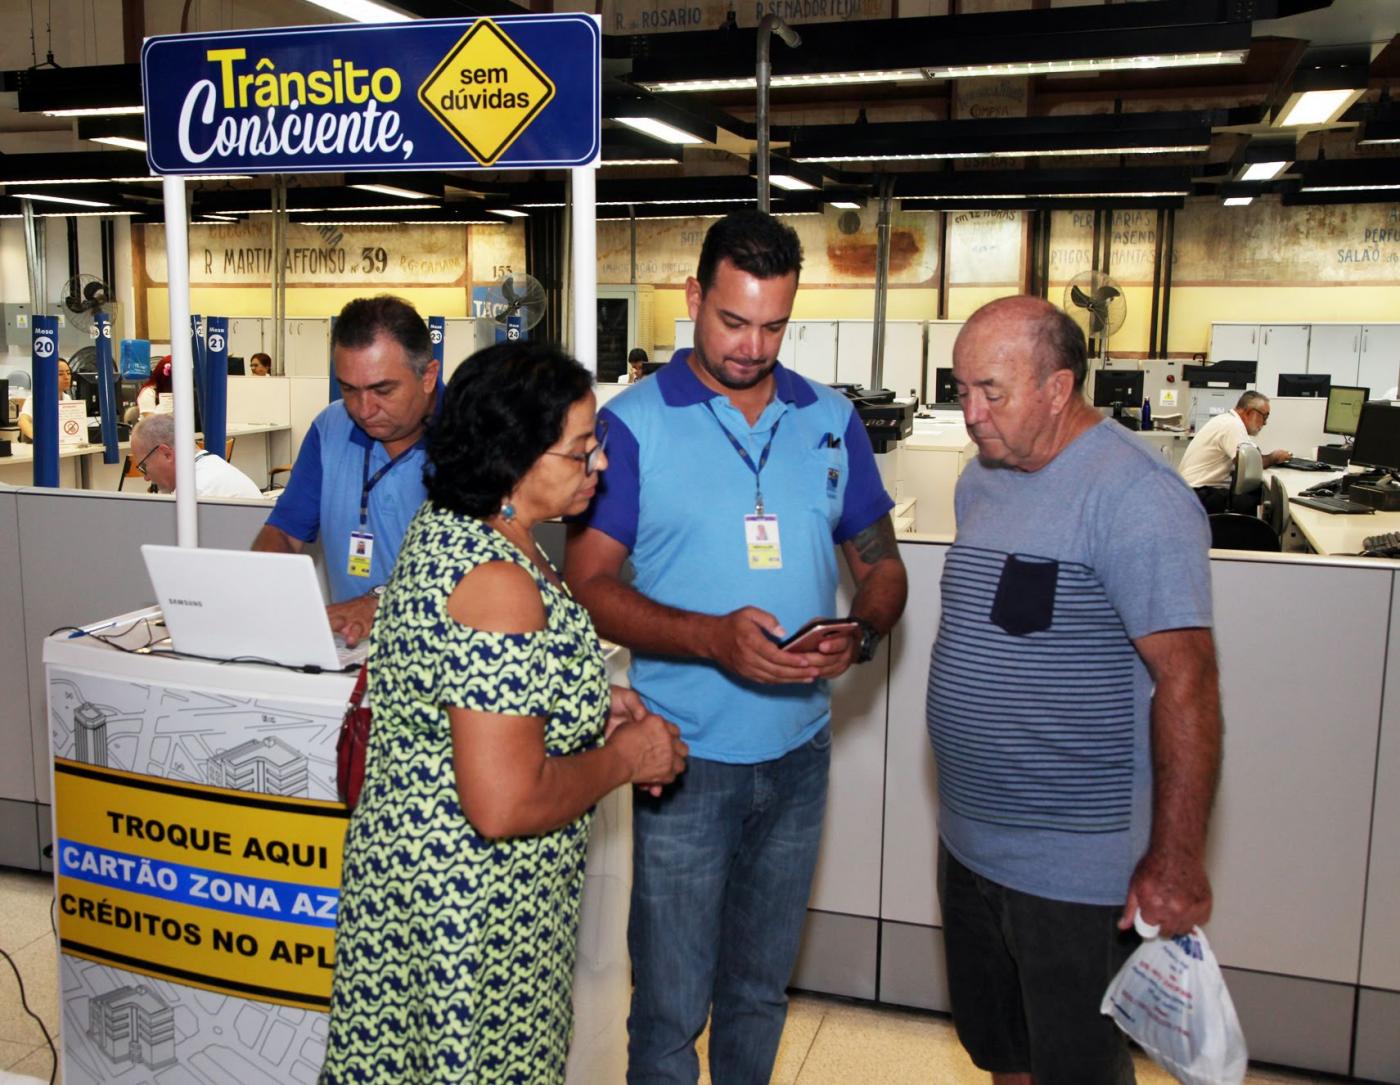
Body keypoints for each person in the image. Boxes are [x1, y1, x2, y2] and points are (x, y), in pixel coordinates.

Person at [565, 209, 908, 1085]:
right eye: (731, 320)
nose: (752, 345)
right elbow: (590, 584)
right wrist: (708, 640)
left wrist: (860, 628)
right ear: (693, 298)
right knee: (673, 1006)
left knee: (759, 991)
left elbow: (882, 566)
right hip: (681, 760)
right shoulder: (631, 426)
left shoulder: (829, 420)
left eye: (773, 325)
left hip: (799, 755)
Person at [321, 340, 688, 1085]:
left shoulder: (454, 528)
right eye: (581, 450)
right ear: (515, 457)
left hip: (417, 892)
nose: (600, 466)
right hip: (473, 917)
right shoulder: (499, 584)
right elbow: (503, 800)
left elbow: (473, 691)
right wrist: (628, 756)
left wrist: (586, 700)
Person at [926, 295, 1221, 1085]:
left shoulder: (1138, 498)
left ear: (1059, 390)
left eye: (991, 391)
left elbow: (1186, 681)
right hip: (969, 845)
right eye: (961, 389)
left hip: (1075, 872)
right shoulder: (980, 482)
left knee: (1076, 1070)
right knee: (1005, 1054)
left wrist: (1177, 857)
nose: (970, 413)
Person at [251, 296, 437, 647]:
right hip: (352, 655)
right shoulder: (330, 427)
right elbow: (284, 531)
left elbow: (486, 565)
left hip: (447, 659)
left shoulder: (473, 435)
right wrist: (265, 583)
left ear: (427, 376)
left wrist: (381, 604)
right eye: (349, 389)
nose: (364, 409)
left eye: (383, 390)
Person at [1178, 390, 1291, 512]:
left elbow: (1251, 456)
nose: (1265, 423)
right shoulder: (1232, 425)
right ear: (1249, 412)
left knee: (1253, 495)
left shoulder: (1228, 421)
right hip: (1200, 494)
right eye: (1264, 416)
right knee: (1258, 499)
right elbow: (1251, 465)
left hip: (1193, 491)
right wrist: (1275, 456)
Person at [128, 413, 262, 499]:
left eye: (143, 467)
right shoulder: (210, 467)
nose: (146, 478)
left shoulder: (195, 493)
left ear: (167, 454)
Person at [17, 358, 72, 442]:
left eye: (68, 373)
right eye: (60, 374)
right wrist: (39, 439)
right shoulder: (36, 398)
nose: (66, 377)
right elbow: (23, 421)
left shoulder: (67, 398)